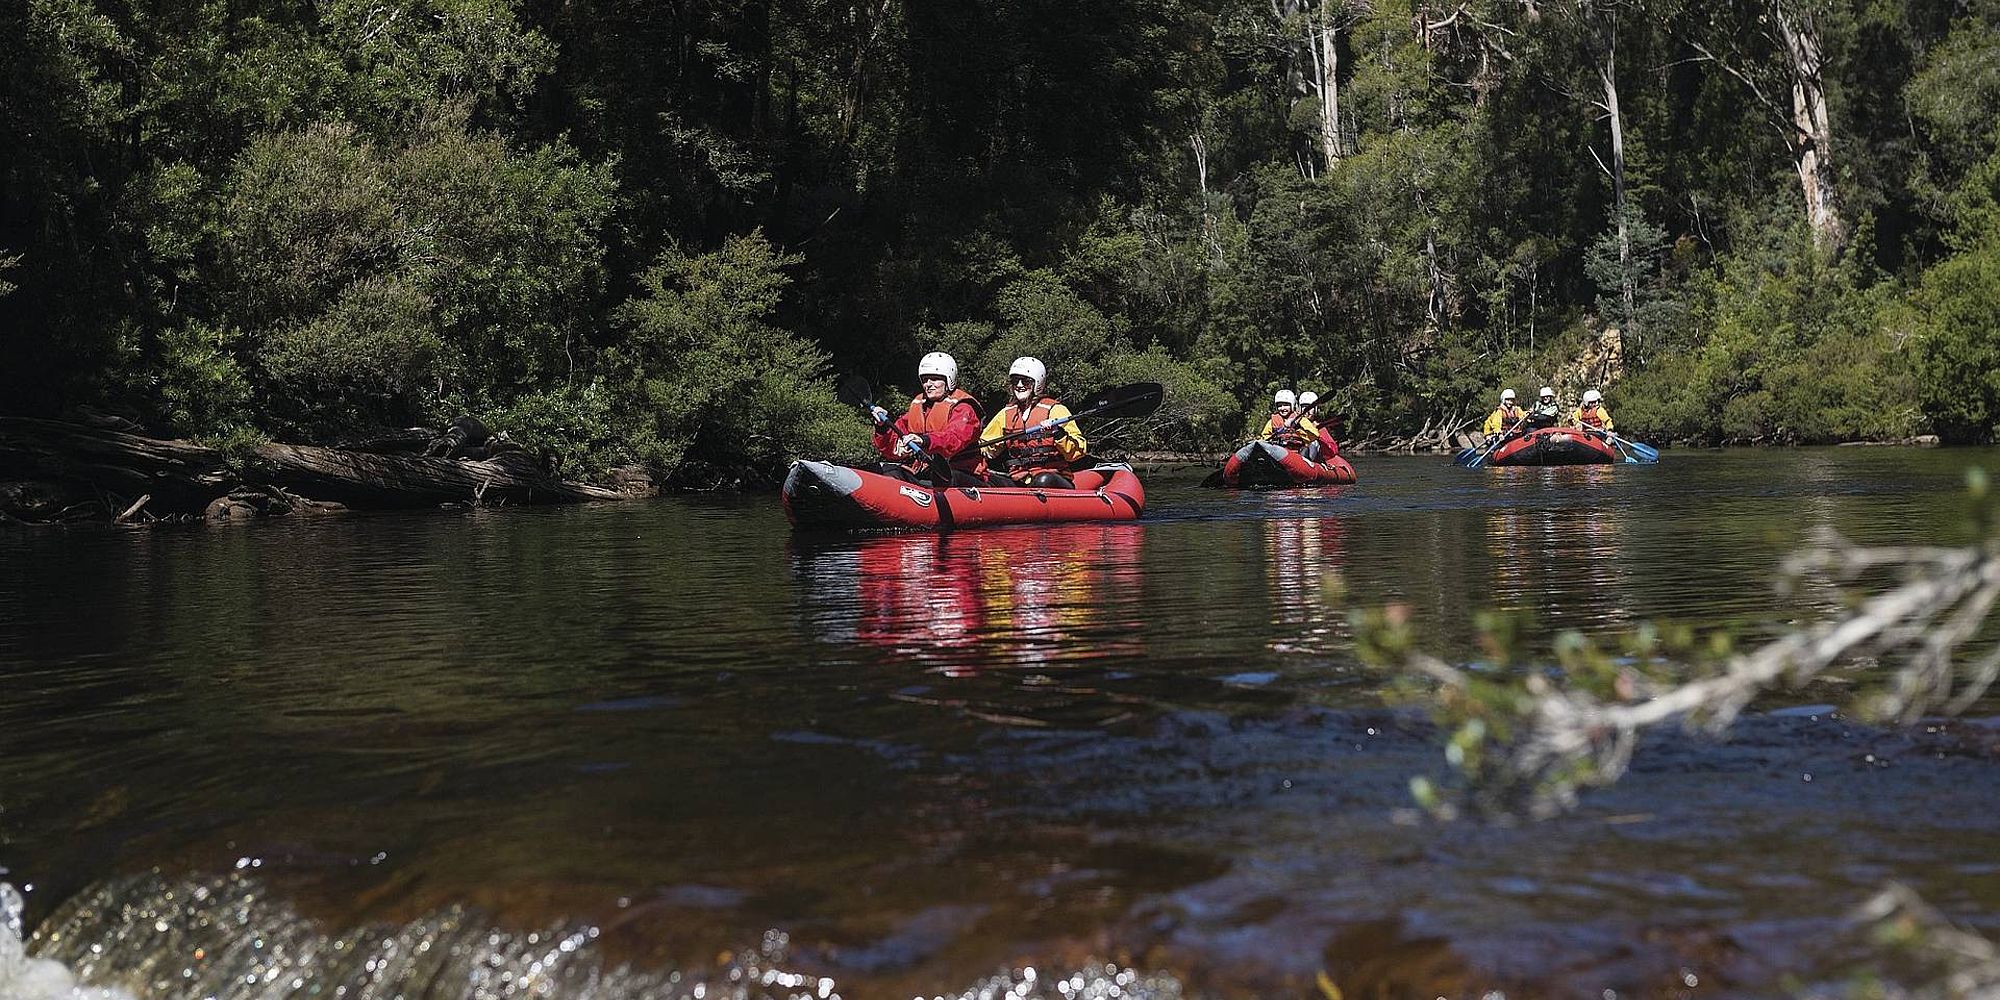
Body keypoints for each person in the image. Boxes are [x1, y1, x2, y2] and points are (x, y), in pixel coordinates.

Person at [870, 351, 986, 486]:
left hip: (963, 473)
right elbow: (893, 449)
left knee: (946, 478)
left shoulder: (964, 408)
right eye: (925, 380)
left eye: (935, 379)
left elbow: (954, 438)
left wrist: (925, 440)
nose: (928, 384)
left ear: (949, 380)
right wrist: (882, 427)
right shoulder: (919, 407)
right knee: (886, 470)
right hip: (928, 471)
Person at [981, 357, 1089, 488]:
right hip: (1019, 480)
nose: (1019, 385)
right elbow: (987, 447)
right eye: (1015, 381)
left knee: (1042, 480)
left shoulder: (1055, 410)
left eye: (1026, 382)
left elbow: (1077, 453)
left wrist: (1058, 433)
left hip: (1053, 478)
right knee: (987, 479)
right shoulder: (1006, 414)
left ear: (1037, 383)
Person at [1296, 391, 1340, 461]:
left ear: (1315, 409)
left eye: (1311, 408)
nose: (1307, 411)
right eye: (1304, 407)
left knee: (1313, 443)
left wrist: (1318, 436)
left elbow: (1333, 450)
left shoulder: (1320, 429)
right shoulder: (1295, 425)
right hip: (1295, 457)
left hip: (1312, 459)